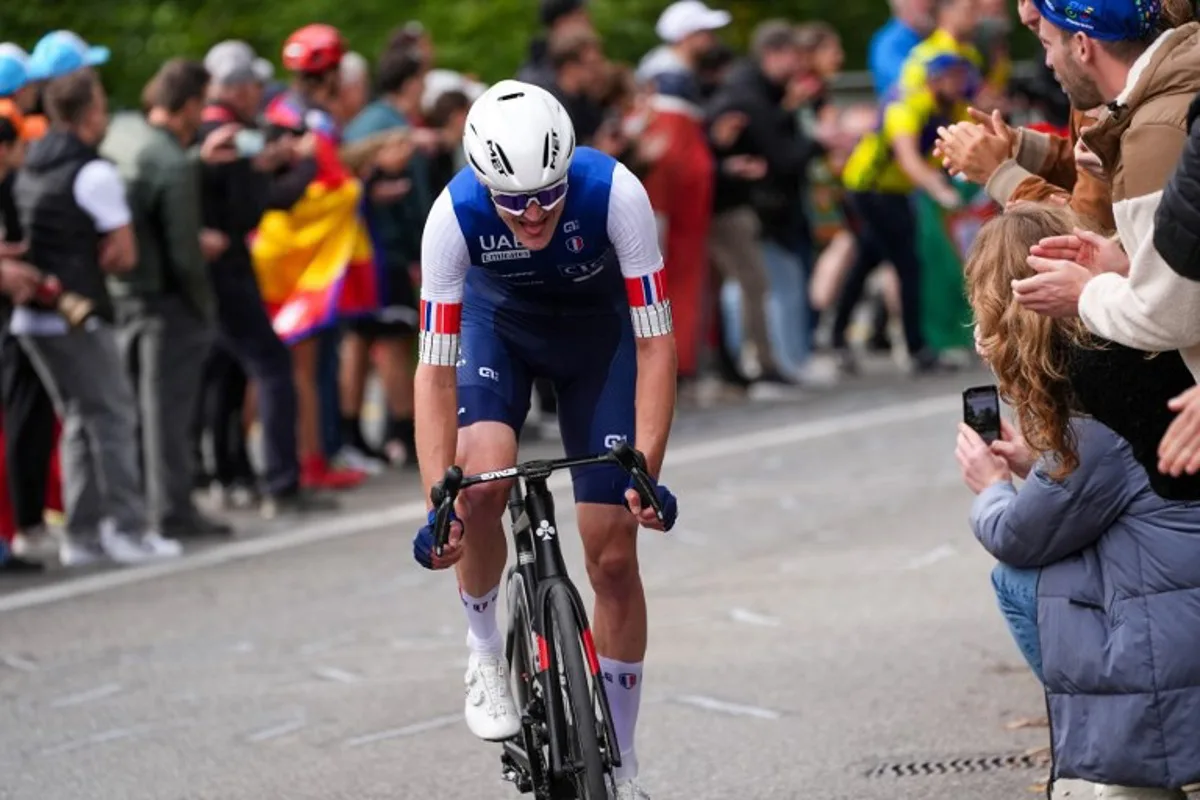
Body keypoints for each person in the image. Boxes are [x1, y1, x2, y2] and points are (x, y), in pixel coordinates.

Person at [410, 80, 679, 800]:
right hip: (497, 330)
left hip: (598, 342)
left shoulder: (616, 194)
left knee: (615, 554)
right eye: (514, 200)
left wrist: (645, 469)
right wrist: (440, 500)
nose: (533, 214)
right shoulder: (452, 217)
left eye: (548, 196)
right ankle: (484, 651)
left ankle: (621, 761)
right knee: (485, 481)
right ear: (482, 182)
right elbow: (433, 372)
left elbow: (655, 344)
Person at [959, 202, 1200, 799]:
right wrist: (1031, 463)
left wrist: (991, 489)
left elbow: (1021, 533)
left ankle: (1110, 752)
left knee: (1019, 578)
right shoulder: (1146, 346)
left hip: (1180, 647)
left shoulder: (1094, 402)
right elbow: (1097, 484)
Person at [13, 68, 182, 565]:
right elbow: (123, 255)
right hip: (77, 313)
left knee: (80, 424)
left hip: (30, 316)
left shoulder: (31, 158)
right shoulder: (94, 171)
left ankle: (82, 537)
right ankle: (128, 529)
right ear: (89, 111)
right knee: (113, 416)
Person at [1012, 1, 1200, 383]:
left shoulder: (1153, 133)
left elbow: (1171, 317)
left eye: (1048, 45)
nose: (1047, 63)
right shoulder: (1173, 90)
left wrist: (1084, 293)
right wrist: (1127, 269)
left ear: (1082, 45)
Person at [101, 59, 232, 540]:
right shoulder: (172, 163)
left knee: (128, 408)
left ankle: (130, 507)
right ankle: (174, 511)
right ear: (190, 103)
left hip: (120, 293)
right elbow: (185, 254)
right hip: (165, 302)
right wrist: (205, 307)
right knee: (169, 414)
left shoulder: (121, 134)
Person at [835, 53, 970, 375]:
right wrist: (941, 192)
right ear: (933, 80)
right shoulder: (907, 106)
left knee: (868, 261)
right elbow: (909, 159)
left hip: (896, 192)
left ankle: (837, 336)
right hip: (869, 190)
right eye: (951, 77)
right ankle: (917, 348)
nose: (959, 84)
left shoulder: (951, 108)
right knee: (908, 263)